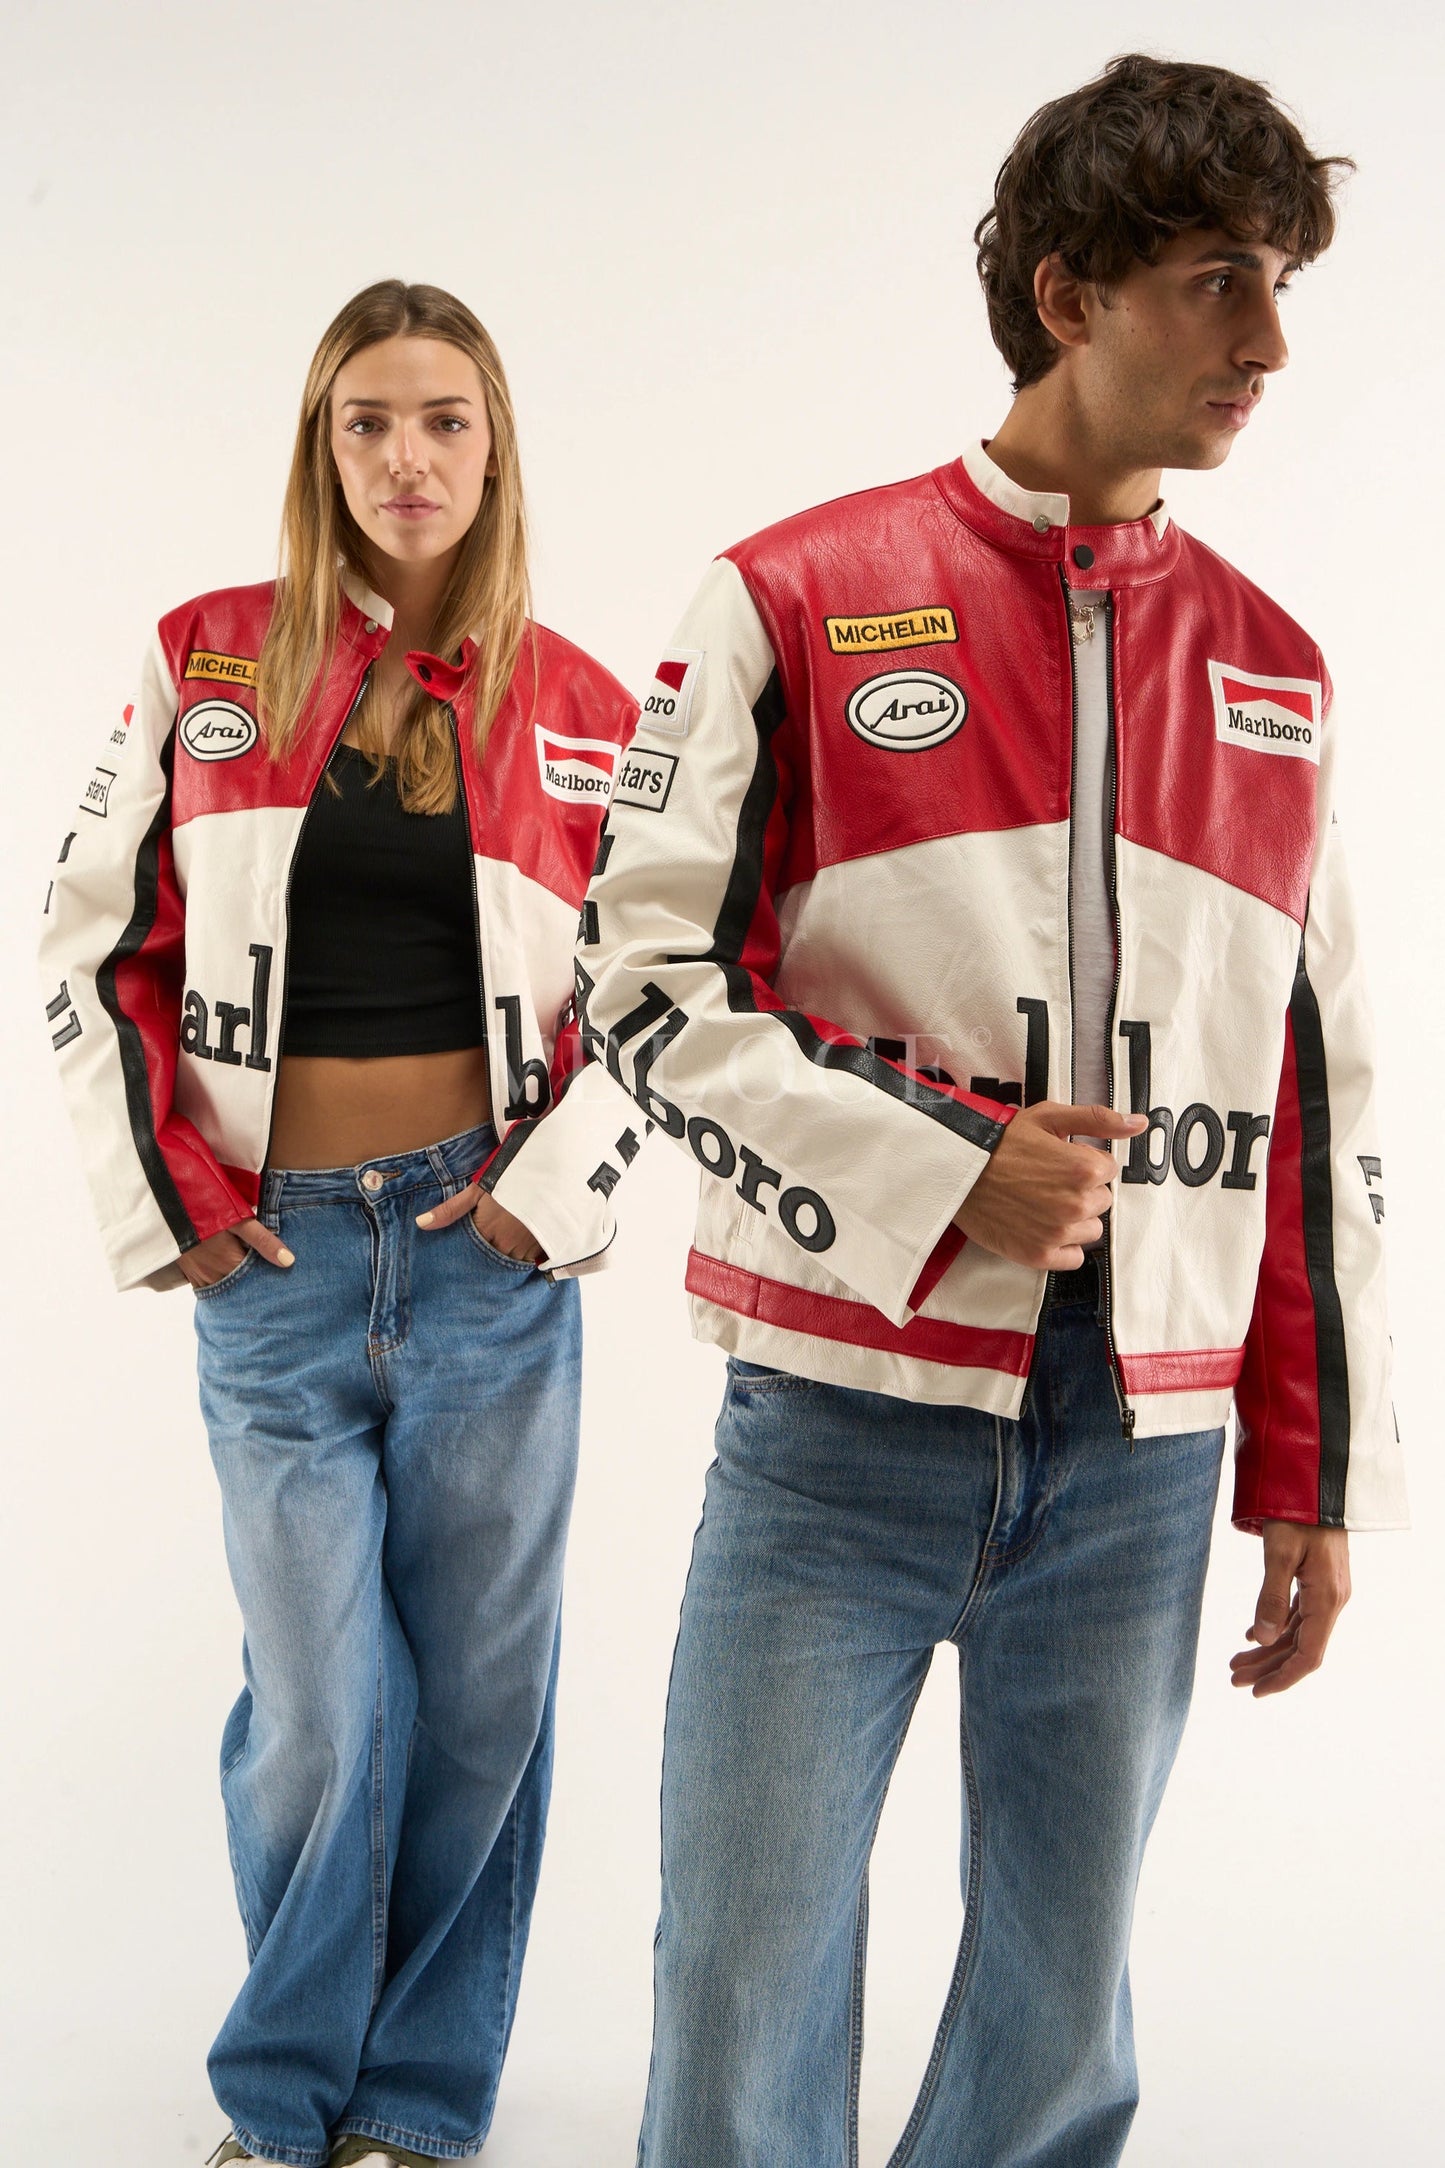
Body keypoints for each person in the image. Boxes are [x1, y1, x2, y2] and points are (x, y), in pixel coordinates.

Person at [574, 55, 1408, 2168]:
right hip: (833, 1439)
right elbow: (642, 989)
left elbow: (1320, 1099)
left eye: (1282, 285)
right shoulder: (789, 596)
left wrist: (1313, 1467)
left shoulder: (1280, 669)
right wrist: (952, 1160)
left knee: (1059, 2009)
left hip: (1146, 1453)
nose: (1270, 343)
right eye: (1223, 282)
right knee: (744, 1979)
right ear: (1070, 292)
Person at [39, 280, 641, 2168]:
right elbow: (86, 937)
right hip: (280, 1263)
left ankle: (416, 2100)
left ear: (496, 445)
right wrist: (184, 1207)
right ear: (322, 448)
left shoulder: (585, 706)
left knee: (479, 1702)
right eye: (367, 421)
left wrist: (551, 1207)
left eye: (443, 419)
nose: (407, 457)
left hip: (488, 1267)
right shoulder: (205, 662)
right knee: (316, 1702)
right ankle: (283, 2092)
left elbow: (670, 985)